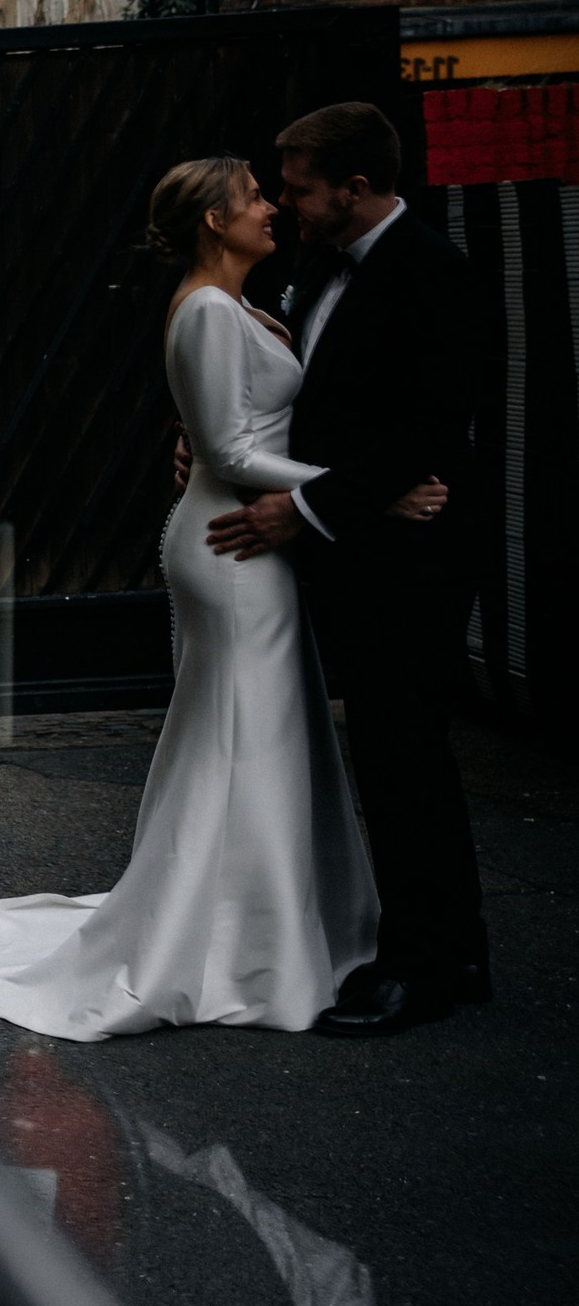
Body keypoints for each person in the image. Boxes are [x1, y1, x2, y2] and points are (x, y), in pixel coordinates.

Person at [0, 155, 444, 1040]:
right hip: (231, 544)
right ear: (213, 219)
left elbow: (227, 427)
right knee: (249, 732)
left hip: (257, 537)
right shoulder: (208, 308)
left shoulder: (243, 303)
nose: (270, 208)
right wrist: (372, 489)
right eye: (252, 196)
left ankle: (271, 926)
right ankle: (245, 944)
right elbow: (230, 454)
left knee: (264, 732)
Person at [205, 102, 493, 1036]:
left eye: (298, 187)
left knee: (407, 759)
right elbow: (301, 403)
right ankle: (452, 943)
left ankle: (426, 968)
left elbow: (429, 425)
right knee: (386, 754)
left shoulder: (433, 273)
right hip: (361, 548)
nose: (285, 203)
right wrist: (203, 449)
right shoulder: (311, 268)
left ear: (354, 188)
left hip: (412, 563)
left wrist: (311, 506)